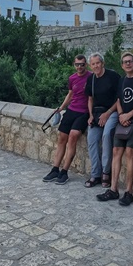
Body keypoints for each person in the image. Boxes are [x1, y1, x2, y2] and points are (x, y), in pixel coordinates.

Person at [96, 52, 133, 205]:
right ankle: (113, 189)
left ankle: (128, 192)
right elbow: (119, 99)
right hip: (123, 120)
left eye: (130, 61)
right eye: (125, 62)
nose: (128, 64)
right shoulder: (122, 80)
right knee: (116, 151)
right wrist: (120, 115)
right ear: (122, 65)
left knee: (130, 152)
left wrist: (129, 115)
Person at [42, 55, 90, 185]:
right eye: (77, 64)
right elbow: (70, 94)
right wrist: (61, 108)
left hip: (83, 112)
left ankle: (64, 171)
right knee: (62, 138)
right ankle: (55, 169)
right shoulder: (72, 78)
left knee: (73, 136)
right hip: (71, 110)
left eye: (82, 64)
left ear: (86, 65)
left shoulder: (91, 77)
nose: (79, 67)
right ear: (74, 65)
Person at [84, 52, 120, 188]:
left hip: (112, 111)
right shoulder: (91, 79)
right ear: (90, 66)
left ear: (102, 63)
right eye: (93, 64)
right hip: (97, 113)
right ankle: (95, 174)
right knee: (92, 139)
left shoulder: (113, 76)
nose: (96, 66)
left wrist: (108, 113)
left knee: (106, 136)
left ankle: (106, 172)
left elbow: (119, 99)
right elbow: (90, 99)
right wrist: (90, 115)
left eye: (98, 63)